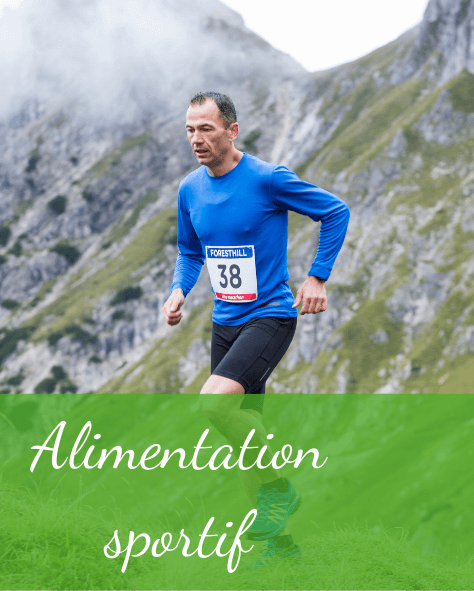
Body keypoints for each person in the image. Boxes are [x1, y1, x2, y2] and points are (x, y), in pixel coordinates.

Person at [162, 91, 350, 564]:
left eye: (205, 128)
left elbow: (335, 211)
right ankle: (278, 547)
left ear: (231, 130)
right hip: (224, 323)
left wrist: (317, 276)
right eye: (189, 129)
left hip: (270, 316)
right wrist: (179, 290)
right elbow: (190, 250)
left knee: (214, 405)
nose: (196, 138)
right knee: (246, 441)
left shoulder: (267, 179)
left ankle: (282, 489)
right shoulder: (190, 189)